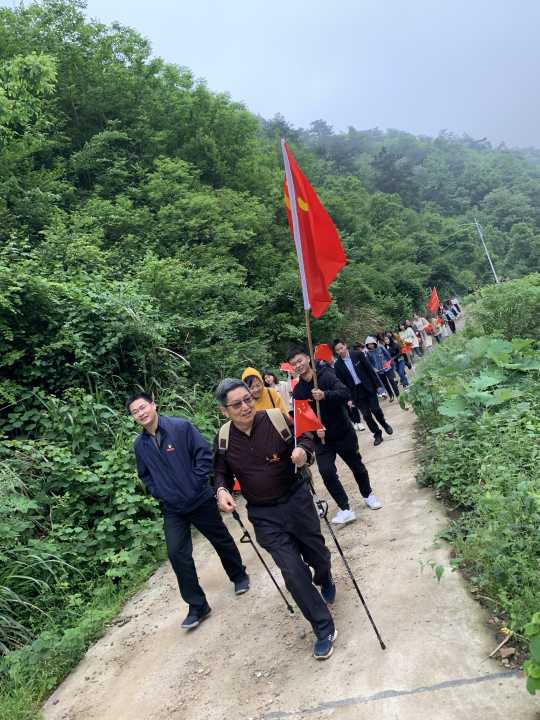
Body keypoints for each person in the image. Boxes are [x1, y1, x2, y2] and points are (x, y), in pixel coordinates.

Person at [213, 378, 337, 660]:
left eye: (248, 399)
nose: (245, 407)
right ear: (224, 410)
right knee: (292, 571)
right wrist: (221, 491)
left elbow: (305, 436)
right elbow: (220, 472)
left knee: (317, 554)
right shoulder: (223, 438)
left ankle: (325, 575)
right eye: (237, 404)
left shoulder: (275, 418)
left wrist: (303, 451)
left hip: (297, 500)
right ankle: (323, 628)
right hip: (264, 514)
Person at [127, 392, 250, 631]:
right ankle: (197, 605)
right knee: (176, 553)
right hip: (172, 508)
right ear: (133, 417)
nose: (141, 413)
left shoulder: (180, 427)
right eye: (135, 412)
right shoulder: (140, 445)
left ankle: (239, 576)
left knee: (220, 539)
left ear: (153, 405)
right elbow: (145, 475)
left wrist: (195, 484)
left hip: (199, 499)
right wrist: (159, 492)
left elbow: (204, 455)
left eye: (143, 407)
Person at [287, 344, 383, 527]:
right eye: (294, 364)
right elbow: (302, 417)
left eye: (300, 361)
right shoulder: (298, 390)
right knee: (326, 472)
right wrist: (314, 430)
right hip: (322, 440)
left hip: (342, 432)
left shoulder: (325, 375)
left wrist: (325, 395)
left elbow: (345, 393)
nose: (298, 365)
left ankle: (368, 494)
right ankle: (345, 508)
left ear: (308, 358)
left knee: (357, 466)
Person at [333, 339, 394, 447]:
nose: (340, 351)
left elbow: (369, 370)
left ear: (345, 346)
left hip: (368, 387)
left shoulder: (358, 354)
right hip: (355, 393)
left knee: (375, 409)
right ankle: (377, 434)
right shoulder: (338, 365)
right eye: (337, 350)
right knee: (366, 415)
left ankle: (384, 424)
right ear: (336, 352)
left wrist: (378, 386)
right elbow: (342, 384)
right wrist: (348, 398)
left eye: (341, 348)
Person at [364, 336, 400, 401]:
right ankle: (391, 395)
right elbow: (369, 363)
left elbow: (388, 355)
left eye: (371, 344)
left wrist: (391, 364)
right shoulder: (368, 353)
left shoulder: (380, 347)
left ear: (374, 343)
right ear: (367, 345)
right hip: (379, 371)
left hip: (387, 367)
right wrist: (374, 368)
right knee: (385, 384)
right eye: (368, 345)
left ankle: (397, 394)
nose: (370, 345)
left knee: (392, 381)